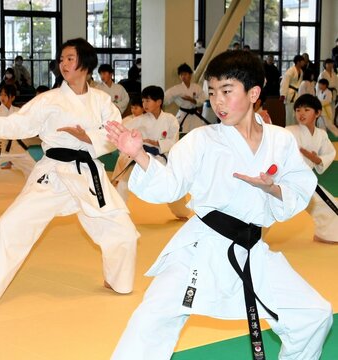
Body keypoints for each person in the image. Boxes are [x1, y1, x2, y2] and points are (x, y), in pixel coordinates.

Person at [107, 50, 332, 360]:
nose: (218, 101)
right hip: (200, 247)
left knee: (314, 315)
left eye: (227, 91)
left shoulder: (280, 141)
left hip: (253, 250)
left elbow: (299, 187)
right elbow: (170, 183)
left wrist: (274, 188)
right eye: (213, 92)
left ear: (254, 93)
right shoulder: (202, 139)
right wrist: (140, 155)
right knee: (151, 320)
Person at [0, 37, 139, 310]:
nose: (63, 64)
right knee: (11, 224)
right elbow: (21, 123)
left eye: (70, 58)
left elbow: (114, 133)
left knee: (122, 230)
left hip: (88, 173)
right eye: (61, 59)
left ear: (85, 63)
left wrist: (86, 136)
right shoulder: (49, 99)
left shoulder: (101, 100)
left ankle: (117, 280)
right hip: (53, 172)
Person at [111, 86, 190, 220]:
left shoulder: (170, 120)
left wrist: (156, 143)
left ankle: (181, 212)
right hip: (141, 157)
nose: (145, 104)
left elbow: (174, 141)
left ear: (159, 102)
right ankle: (118, 213)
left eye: (148, 100)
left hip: (161, 156)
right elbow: (123, 130)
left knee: (172, 184)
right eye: (143, 101)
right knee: (123, 182)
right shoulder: (139, 120)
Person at [286, 94, 337, 243]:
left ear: (318, 113)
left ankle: (325, 234)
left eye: (306, 110)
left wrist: (317, 159)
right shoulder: (288, 132)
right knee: (265, 210)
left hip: (304, 182)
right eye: (298, 110)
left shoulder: (321, 134)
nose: (301, 113)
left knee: (330, 205)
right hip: (286, 181)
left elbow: (329, 153)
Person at [164, 63, 208, 133]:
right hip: (183, 114)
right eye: (181, 75)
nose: (183, 76)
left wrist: (192, 100)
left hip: (195, 114)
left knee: (198, 132)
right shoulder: (176, 89)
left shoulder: (196, 87)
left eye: (185, 74)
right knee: (179, 133)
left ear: (190, 75)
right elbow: (166, 98)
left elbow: (203, 99)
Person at [280, 54, 305, 126]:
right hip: (290, 94)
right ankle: (288, 130)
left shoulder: (301, 71)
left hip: (297, 94)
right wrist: (283, 94)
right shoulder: (290, 71)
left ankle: (296, 131)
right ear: (298, 62)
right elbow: (285, 82)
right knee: (289, 114)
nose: (303, 63)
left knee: (296, 114)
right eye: (302, 61)